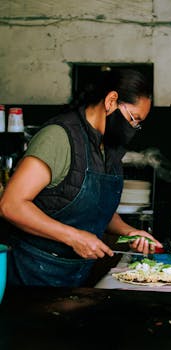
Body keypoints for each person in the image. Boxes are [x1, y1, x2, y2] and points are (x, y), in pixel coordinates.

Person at [0, 68, 162, 287]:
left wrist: (129, 232)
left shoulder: (111, 147)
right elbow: (11, 205)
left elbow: (97, 207)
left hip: (74, 275)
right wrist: (73, 236)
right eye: (134, 119)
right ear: (111, 100)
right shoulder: (59, 137)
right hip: (31, 273)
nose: (134, 128)